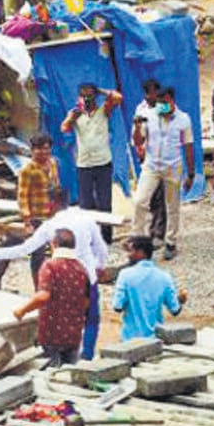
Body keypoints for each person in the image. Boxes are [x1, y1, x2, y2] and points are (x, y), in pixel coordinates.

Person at [0, 193, 108, 358]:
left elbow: (25, 249)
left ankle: (57, 359)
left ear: (52, 204)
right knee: (90, 319)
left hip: (60, 278)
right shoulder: (86, 219)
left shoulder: (50, 226)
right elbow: (101, 249)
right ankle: (87, 356)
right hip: (87, 276)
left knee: (59, 317)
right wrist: (100, 266)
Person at [131, 86, 194, 260]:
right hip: (151, 166)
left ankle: (171, 242)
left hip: (173, 167)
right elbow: (138, 141)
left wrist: (191, 173)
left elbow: (188, 146)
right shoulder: (149, 116)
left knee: (172, 206)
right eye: (159, 103)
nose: (162, 106)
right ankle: (137, 239)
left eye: (165, 102)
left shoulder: (183, 119)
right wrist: (137, 127)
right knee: (139, 201)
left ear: (172, 100)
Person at [12, 229, 89, 367]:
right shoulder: (81, 269)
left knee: (51, 374)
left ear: (54, 244)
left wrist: (22, 311)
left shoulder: (50, 266)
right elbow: (86, 301)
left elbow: (43, 296)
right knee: (70, 374)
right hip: (74, 335)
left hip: (51, 332)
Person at [61, 84, 122, 241]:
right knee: (86, 204)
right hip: (84, 165)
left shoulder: (103, 111)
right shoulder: (75, 114)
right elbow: (64, 128)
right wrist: (71, 118)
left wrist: (101, 90)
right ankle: (89, 236)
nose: (87, 99)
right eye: (83, 95)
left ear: (96, 97)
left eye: (90, 95)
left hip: (103, 163)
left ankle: (106, 237)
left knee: (104, 203)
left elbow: (118, 97)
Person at [113, 236, 186, 340]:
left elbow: (117, 306)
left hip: (129, 340)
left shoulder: (125, 275)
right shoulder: (164, 277)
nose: (128, 256)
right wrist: (181, 300)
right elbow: (175, 310)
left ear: (141, 252)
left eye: (130, 251)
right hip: (155, 339)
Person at [16, 134, 59, 279]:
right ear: (33, 150)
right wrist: (27, 222)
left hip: (52, 215)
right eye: (39, 149)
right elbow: (22, 197)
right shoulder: (27, 170)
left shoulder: (52, 163)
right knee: (38, 255)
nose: (44, 153)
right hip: (36, 218)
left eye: (46, 149)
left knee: (57, 253)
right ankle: (38, 286)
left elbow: (56, 186)